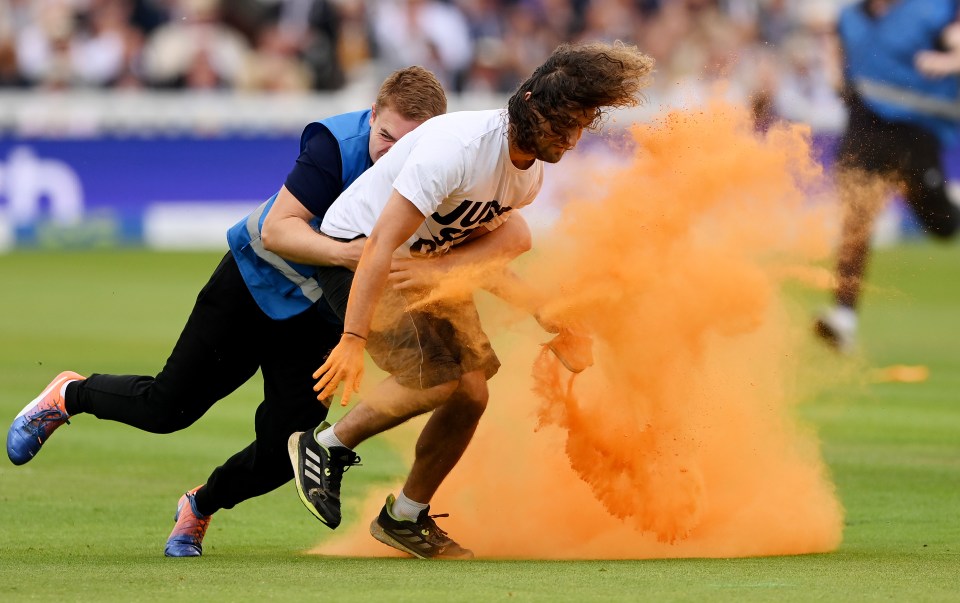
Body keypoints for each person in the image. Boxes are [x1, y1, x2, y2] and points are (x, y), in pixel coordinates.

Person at [5, 66, 448, 557]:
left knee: (288, 454)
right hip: (251, 284)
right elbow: (280, 230)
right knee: (166, 410)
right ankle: (69, 395)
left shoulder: (436, 173)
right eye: (385, 136)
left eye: (406, 145)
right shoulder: (333, 145)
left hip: (318, 318)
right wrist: (356, 256)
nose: (391, 152)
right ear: (372, 116)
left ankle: (200, 504)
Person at [287, 41, 654, 559]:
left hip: (419, 263)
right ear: (528, 101)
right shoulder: (456, 150)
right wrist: (352, 338)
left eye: (580, 125)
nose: (570, 138)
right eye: (562, 123)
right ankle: (324, 446)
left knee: (472, 394)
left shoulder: (527, 177)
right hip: (361, 255)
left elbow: (481, 258)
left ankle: (405, 516)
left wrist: (551, 318)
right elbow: (378, 246)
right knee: (440, 379)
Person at [815, 0, 960, 352]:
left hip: (915, 133)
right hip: (866, 126)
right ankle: (843, 316)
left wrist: (948, 61)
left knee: (941, 224)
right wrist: (834, 73)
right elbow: (834, 43)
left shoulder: (931, 11)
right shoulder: (849, 17)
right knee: (856, 218)